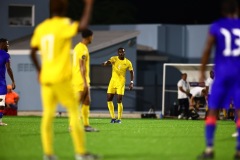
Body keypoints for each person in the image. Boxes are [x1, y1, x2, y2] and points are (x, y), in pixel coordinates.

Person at [29, 0, 99, 160]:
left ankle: (48, 153)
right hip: (61, 78)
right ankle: (81, 153)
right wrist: (88, 5)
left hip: (46, 78)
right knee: (74, 112)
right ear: (65, 8)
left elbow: (33, 51)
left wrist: (39, 71)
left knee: (47, 115)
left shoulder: (42, 27)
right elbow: (82, 26)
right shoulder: (64, 24)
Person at [198, 0, 240, 159]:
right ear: (237, 10)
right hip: (239, 74)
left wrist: (201, 71)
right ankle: (238, 151)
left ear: (222, 11)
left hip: (222, 73)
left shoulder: (216, 26)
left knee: (213, 110)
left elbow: (207, 49)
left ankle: (209, 149)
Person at [72, 29, 98, 132]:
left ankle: (86, 125)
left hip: (82, 79)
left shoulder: (81, 47)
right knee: (77, 102)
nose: (93, 38)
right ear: (89, 37)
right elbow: (81, 65)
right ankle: (73, 125)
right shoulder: (81, 48)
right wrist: (84, 82)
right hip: (80, 79)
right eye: (92, 36)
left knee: (87, 101)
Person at [102, 48, 134, 123]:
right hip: (112, 82)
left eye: (122, 52)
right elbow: (109, 61)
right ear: (118, 53)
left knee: (119, 100)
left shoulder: (128, 62)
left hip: (121, 83)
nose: (121, 53)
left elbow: (132, 72)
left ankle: (119, 119)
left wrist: (131, 82)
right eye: (119, 52)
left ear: (124, 52)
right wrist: (106, 63)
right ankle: (113, 118)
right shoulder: (114, 59)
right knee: (109, 99)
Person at [0, 38, 16, 126]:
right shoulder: (6, 55)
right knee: (1, 102)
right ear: (2, 44)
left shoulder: (6, 55)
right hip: (1, 83)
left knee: (1, 102)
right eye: (7, 44)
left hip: (1, 82)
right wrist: (13, 81)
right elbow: (8, 69)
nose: (8, 45)